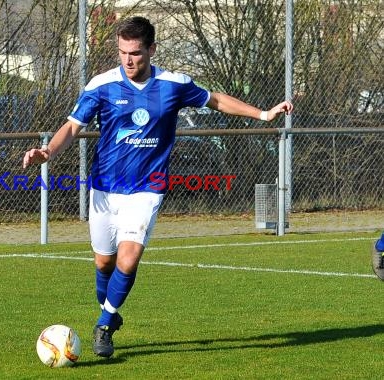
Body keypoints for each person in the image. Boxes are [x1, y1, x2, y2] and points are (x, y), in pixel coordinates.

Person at [23, 16, 294, 357]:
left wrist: (264, 115)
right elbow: (72, 127)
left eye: (135, 53)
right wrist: (47, 151)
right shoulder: (102, 85)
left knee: (129, 257)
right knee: (104, 264)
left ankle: (104, 325)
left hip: (148, 188)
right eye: (122, 52)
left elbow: (215, 100)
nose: (128, 60)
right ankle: (108, 310)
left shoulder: (173, 84)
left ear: (151, 49)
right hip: (105, 190)